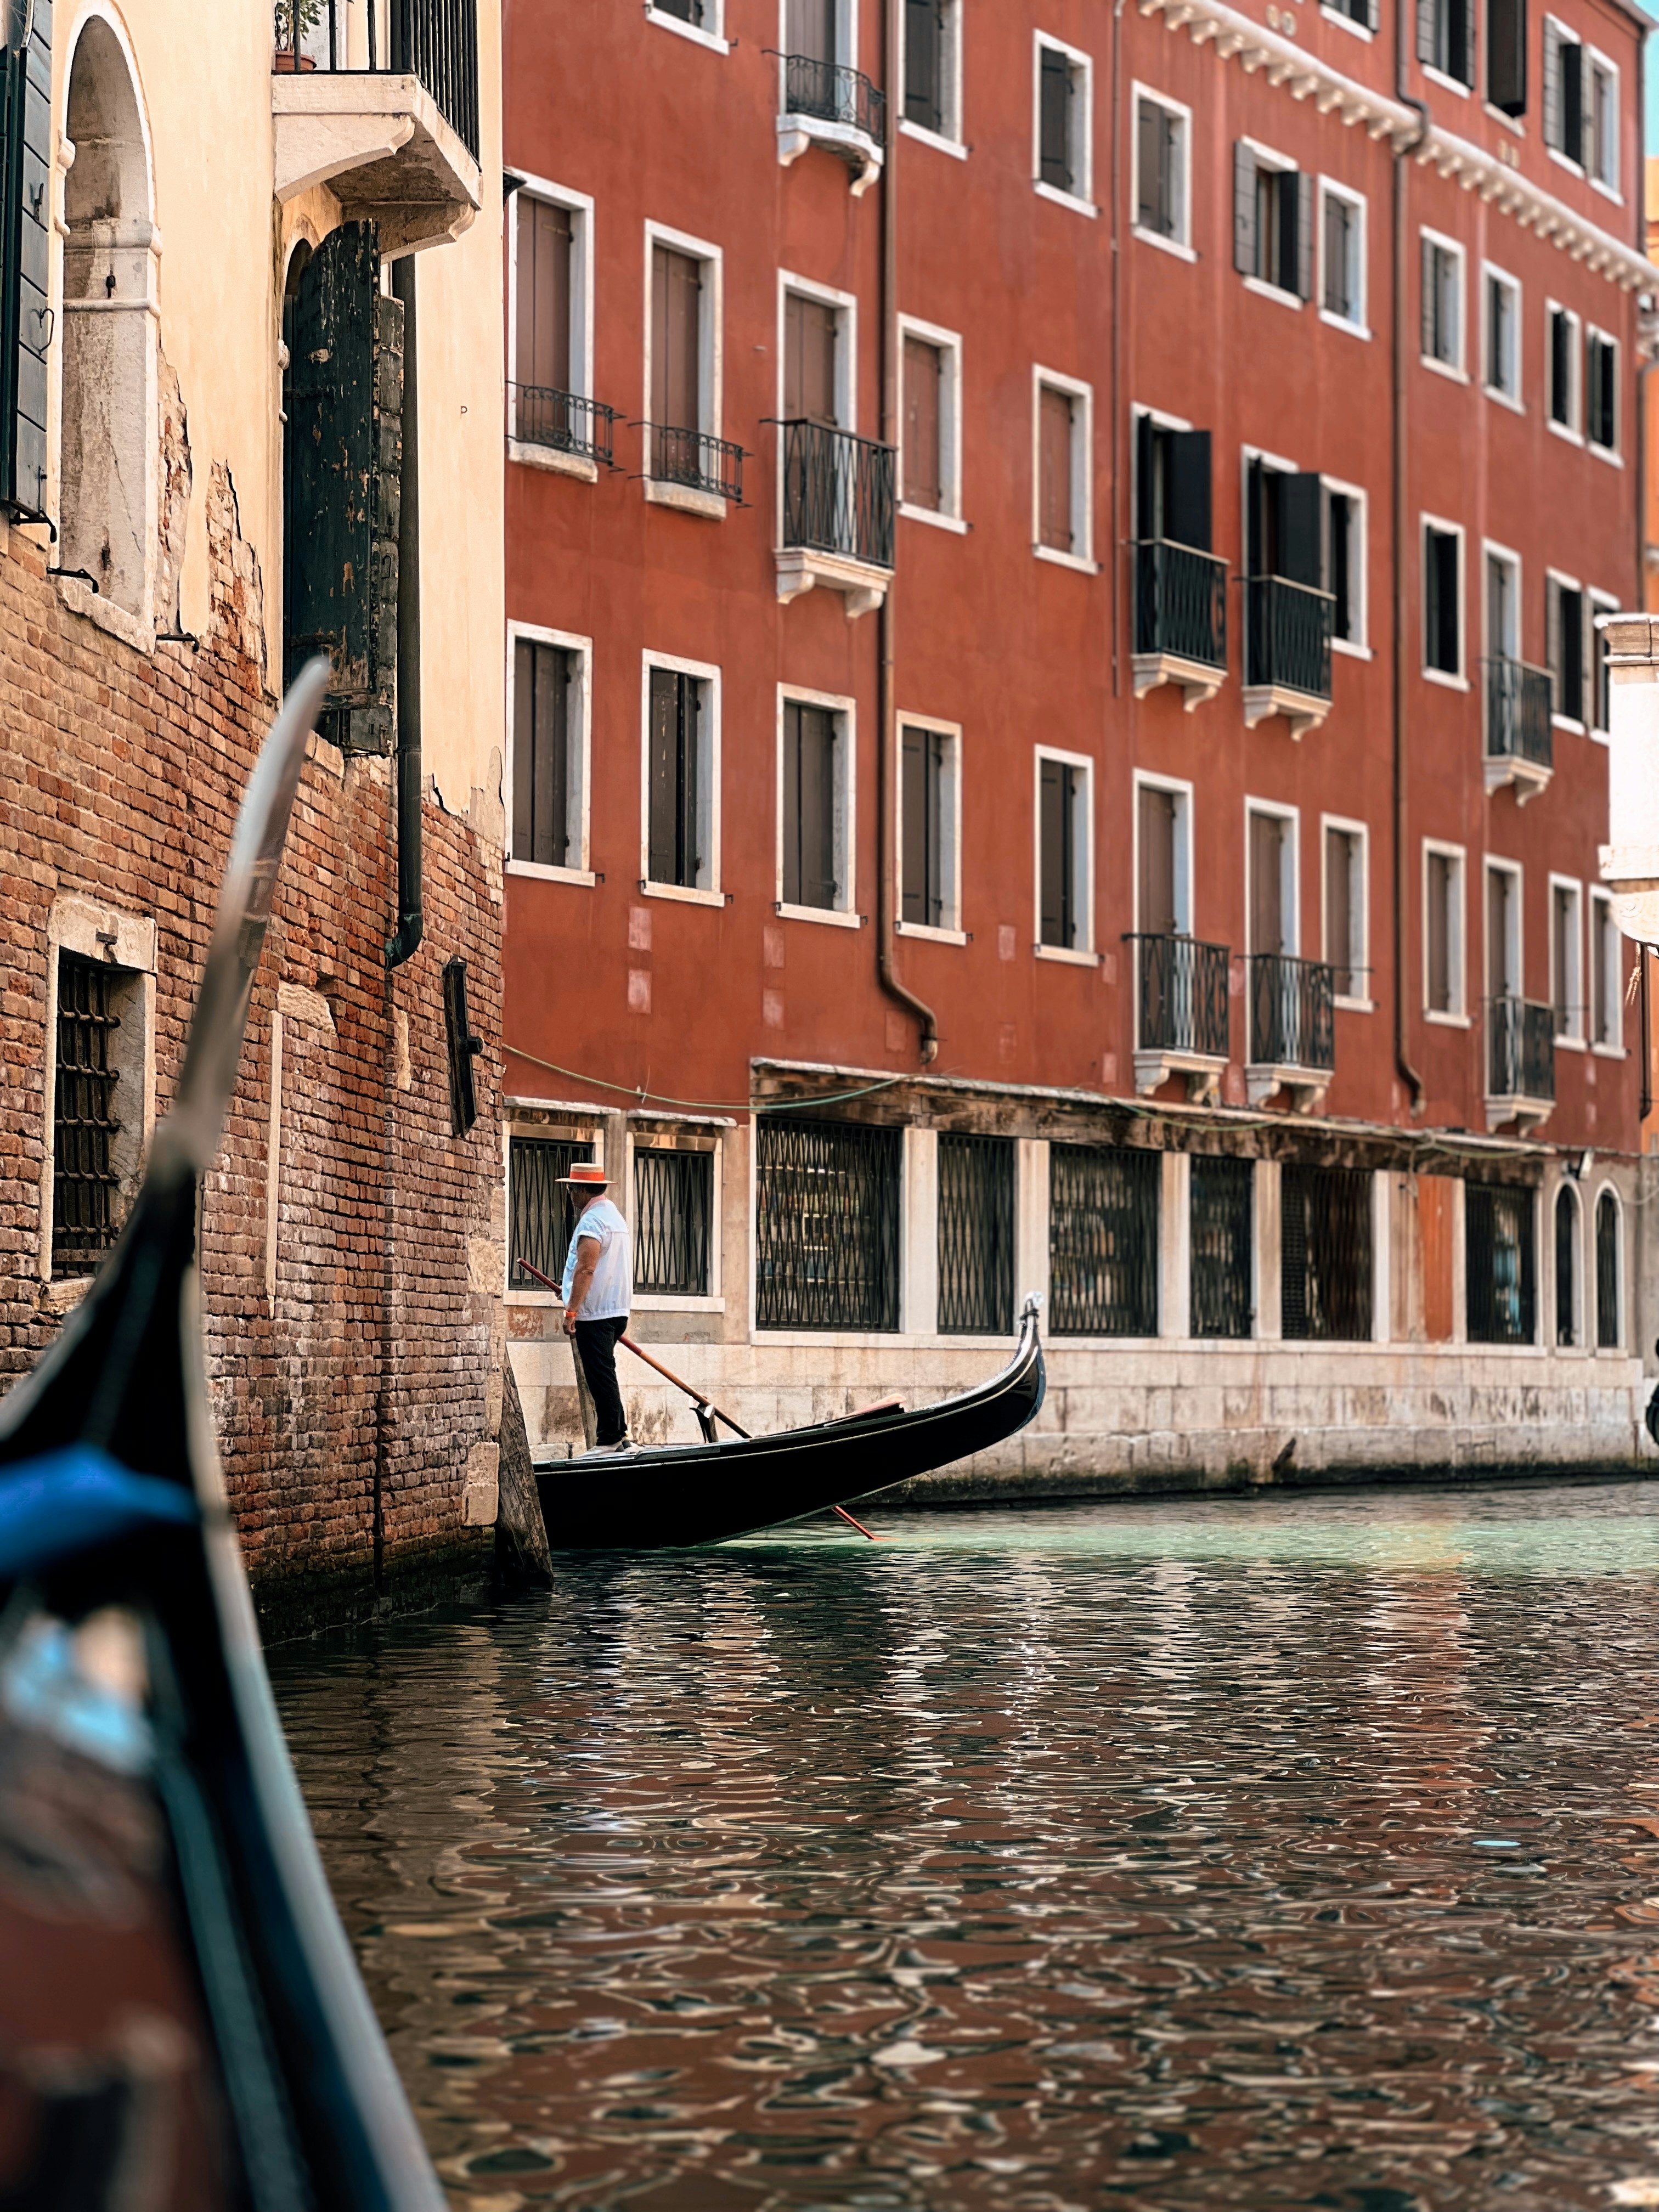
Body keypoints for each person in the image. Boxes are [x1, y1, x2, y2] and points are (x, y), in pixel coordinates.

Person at [558, 1161, 635, 1452]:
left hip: (596, 1312)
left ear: (580, 1190)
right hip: (616, 1311)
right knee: (605, 1370)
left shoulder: (592, 1222)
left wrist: (572, 1310)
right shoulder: (614, 1216)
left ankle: (610, 1438)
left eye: (570, 1189)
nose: (569, 1194)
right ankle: (618, 1434)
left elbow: (586, 1268)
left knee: (599, 1373)